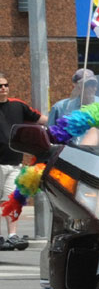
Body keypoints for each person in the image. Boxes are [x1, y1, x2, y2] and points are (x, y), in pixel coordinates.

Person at [0, 72, 46, 249]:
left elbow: (41, 120)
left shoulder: (18, 105)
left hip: (14, 164)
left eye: (6, 85)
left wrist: (63, 124)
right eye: (0, 86)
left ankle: (12, 236)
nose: (3, 88)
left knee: (12, 200)